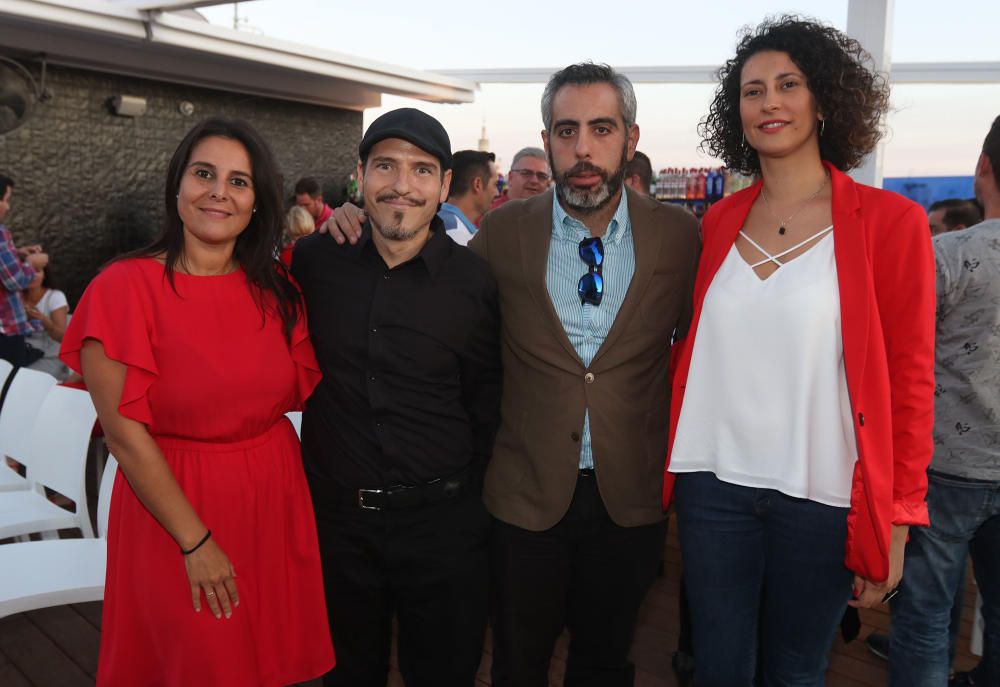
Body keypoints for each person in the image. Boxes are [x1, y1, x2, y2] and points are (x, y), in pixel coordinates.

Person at [323, 64, 699, 687]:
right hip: (523, 500)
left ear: (631, 140)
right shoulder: (503, 231)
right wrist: (355, 218)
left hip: (629, 498)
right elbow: (428, 278)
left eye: (601, 129)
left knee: (605, 663)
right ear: (547, 139)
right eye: (566, 130)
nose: (582, 148)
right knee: (518, 664)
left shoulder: (680, 236)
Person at [665, 16, 936, 685]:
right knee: (717, 667)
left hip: (821, 495)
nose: (770, 102)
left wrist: (898, 520)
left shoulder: (891, 223)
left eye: (789, 83)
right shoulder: (720, 221)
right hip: (713, 487)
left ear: (825, 100)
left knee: (796, 669)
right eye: (753, 90)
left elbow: (910, 376)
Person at [59, 117, 335, 686]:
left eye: (239, 181)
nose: (218, 191)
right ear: (177, 186)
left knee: (270, 665)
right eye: (204, 173)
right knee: (191, 664)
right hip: (174, 511)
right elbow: (124, 436)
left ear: (258, 201)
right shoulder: (123, 288)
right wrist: (197, 542)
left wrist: (352, 214)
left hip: (274, 501)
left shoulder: (278, 289)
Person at [293, 108, 501, 687]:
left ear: (442, 186)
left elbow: (486, 400)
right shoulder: (314, 262)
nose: (402, 185)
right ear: (359, 176)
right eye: (385, 166)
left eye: (421, 170)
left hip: (444, 529)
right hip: (338, 528)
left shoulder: (475, 282)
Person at [888, 115, 1000, 687]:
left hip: (945, 468)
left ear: (983, 167)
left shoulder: (950, 254)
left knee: (925, 618)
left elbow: (899, 349)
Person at [0, 173, 49, 366]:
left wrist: (17, 253)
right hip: (6, 329)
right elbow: (15, 280)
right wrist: (31, 263)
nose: (8, 206)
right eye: (5, 200)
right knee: (11, 384)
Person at [438, 149, 498, 245]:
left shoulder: (441, 222)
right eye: (495, 184)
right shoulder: (455, 234)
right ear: (477, 184)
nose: (497, 193)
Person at [23, 265, 70, 380]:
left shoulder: (55, 296)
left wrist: (44, 320)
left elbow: (63, 337)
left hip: (48, 352)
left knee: (28, 379)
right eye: (26, 271)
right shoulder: (13, 297)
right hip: (21, 350)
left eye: (37, 271)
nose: (32, 275)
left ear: (45, 274)